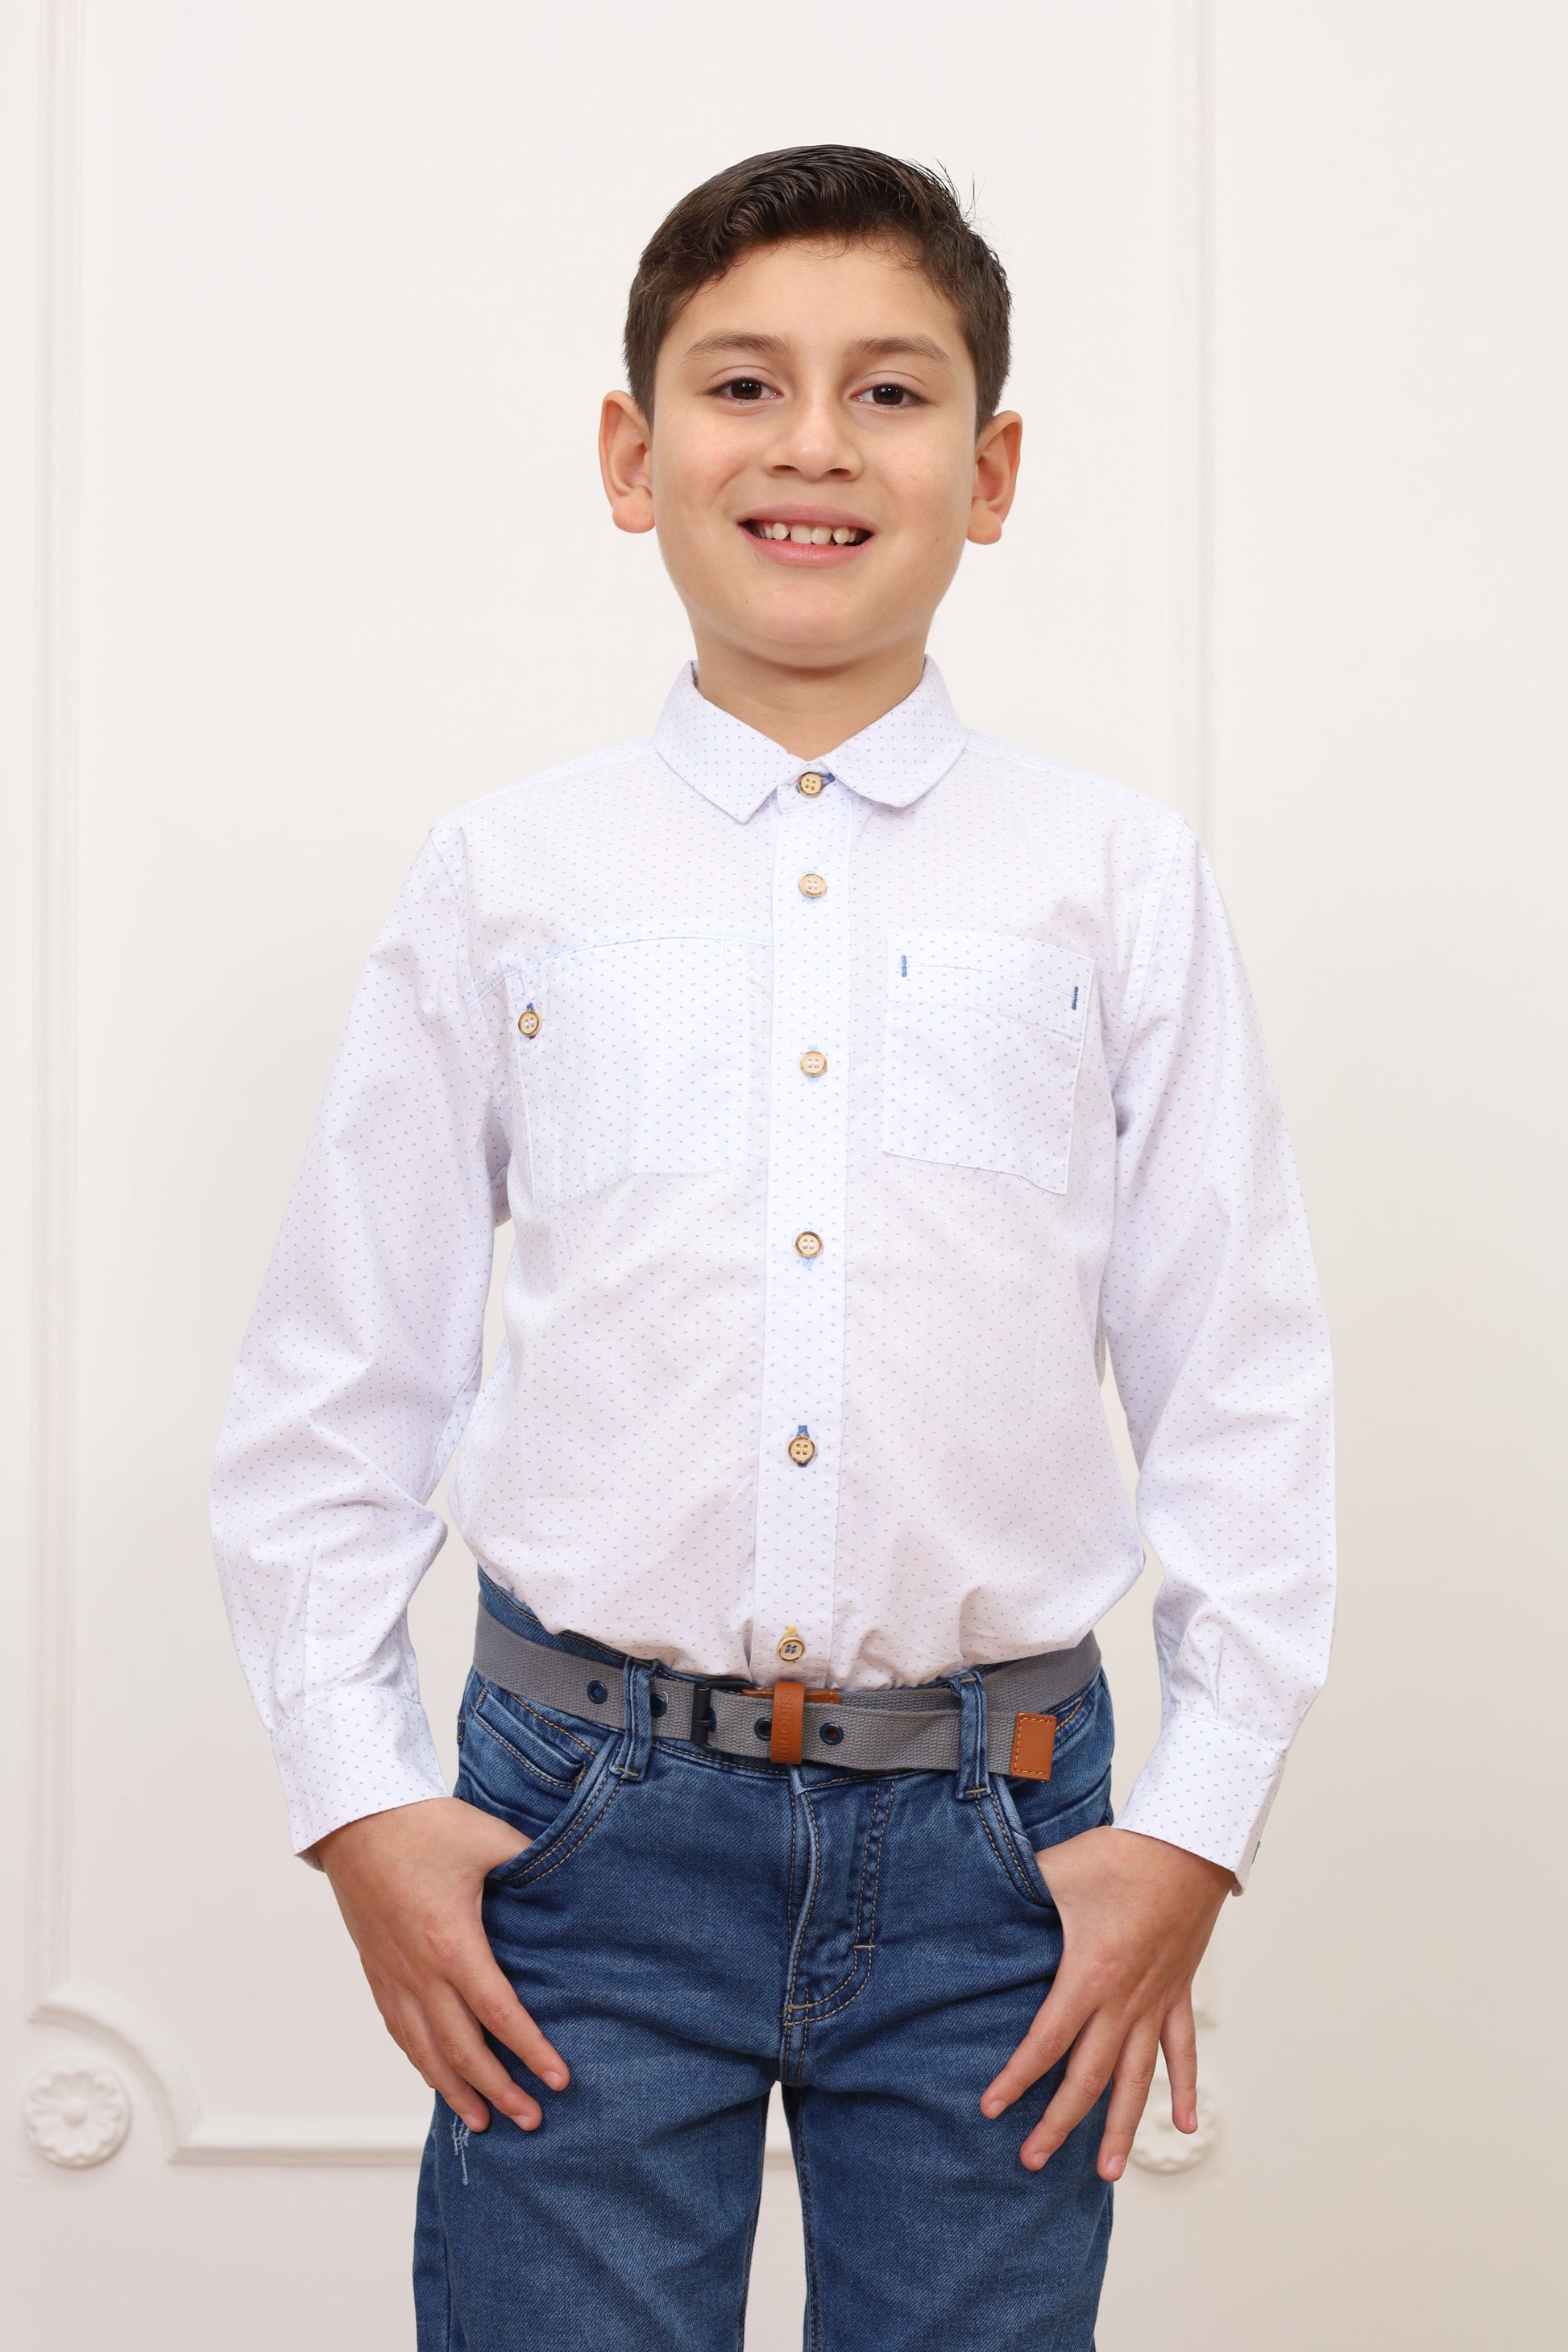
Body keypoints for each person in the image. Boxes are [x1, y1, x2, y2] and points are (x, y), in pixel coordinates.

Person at [211, 145, 1334, 2351]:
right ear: (632, 457)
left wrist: (1198, 1823)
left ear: (988, 474)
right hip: (578, 1836)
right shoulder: (507, 876)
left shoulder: (1112, 879)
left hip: (1011, 1851)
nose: (813, 443)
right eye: (742, 385)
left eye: (890, 392)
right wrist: (358, 1800)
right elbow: (342, 1380)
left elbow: (1242, 1377)